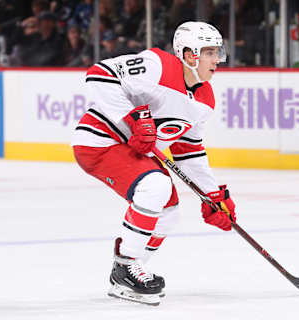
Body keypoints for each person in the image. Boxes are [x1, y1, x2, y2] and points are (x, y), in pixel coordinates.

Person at [71, 21, 236, 306]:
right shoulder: (156, 65)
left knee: (169, 213)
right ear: (188, 54)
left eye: (217, 52)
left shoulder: (204, 100)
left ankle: (127, 269)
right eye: (209, 52)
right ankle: (126, 266)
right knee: (155, 185)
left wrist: (213, 195)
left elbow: (189, 150)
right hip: (100, 142)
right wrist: (134, 117)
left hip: (132, 152)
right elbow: (98, 74)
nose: (216, 60)